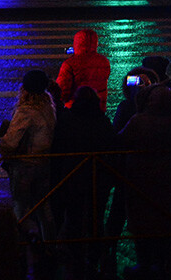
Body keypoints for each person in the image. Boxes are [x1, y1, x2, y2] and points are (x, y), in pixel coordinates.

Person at [117, 85, 171, 279]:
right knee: (164, 220)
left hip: (141, 176)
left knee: (142, 222)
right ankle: (164, 264)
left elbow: (120, 141)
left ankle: (144, 265)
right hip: (169, 176)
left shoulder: (139, 121)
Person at [50, 86, 115, 279]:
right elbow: (111, 146)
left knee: (75, 217)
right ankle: (94, 255)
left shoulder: (67, 120)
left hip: (73, 176)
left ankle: (75, 255)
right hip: (98, 177)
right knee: (96, 217)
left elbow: (57, 149)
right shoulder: (102, 121)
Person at [0, 70, 57, 270]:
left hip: (25, 165)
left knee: (20, 207)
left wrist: (2, 143)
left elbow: (11, 142)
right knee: (44, 207)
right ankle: (50, 246)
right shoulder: (49, 107)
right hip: (45, 163)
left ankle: (18, 248)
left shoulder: (26, 111)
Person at [55, 28, 111, 108]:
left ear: (77, 42)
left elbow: (62, 91)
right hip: (97, 108)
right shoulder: (104, 61)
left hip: (75, 110)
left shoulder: (70, 64)